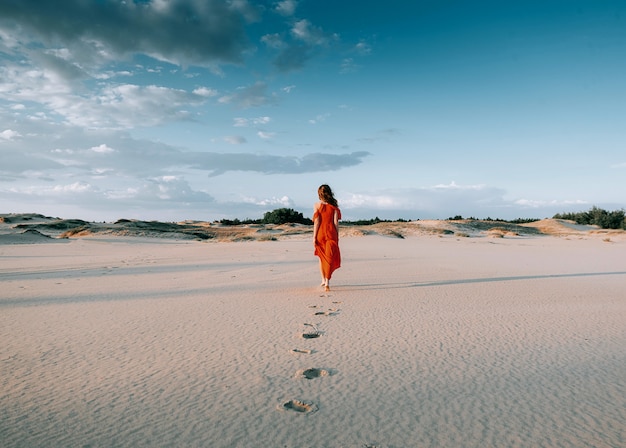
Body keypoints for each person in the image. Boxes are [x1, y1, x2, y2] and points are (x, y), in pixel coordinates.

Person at [313, 184, 341, 291]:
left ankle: (323, 280)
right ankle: (327, 281)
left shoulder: (317, 205)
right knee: (329, 257)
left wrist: (314, 237)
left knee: (321, 257)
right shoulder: (334, 206)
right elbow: (335, 223)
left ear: (319, 194)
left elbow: (317, 222)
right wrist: (337, 236)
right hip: (331, 233)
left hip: (320, 234)